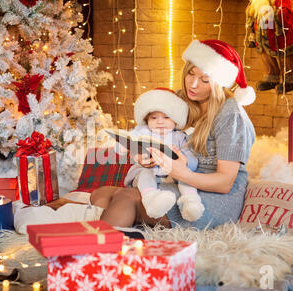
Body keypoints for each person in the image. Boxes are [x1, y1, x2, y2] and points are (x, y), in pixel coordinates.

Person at [91, 39, 256, 230]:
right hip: (179, 181)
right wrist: (143, 155)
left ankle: (94, 252)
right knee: (102, 193)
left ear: (219, 83)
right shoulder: (181, 101)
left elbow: (224, 182)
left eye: (204, 80)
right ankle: (121, 234)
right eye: (191, 74)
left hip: (213, 197)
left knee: (126, 197)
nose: (193, 85)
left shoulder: (231, 114)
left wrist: (182, 173)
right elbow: (150, 130)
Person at [119, 87, 204, 222]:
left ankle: (191, 202)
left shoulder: (179, 137)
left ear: (175, 120)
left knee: (185, 175)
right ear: (146, 119)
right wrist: (132, 152)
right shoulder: (142, 132)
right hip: (148, 169)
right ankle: (152, 199)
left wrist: (185, 161)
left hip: (172, 172)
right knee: (145, 174)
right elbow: (127, 141)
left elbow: (193, 160)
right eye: (154, 117)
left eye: (166, 117)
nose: (159, 121)